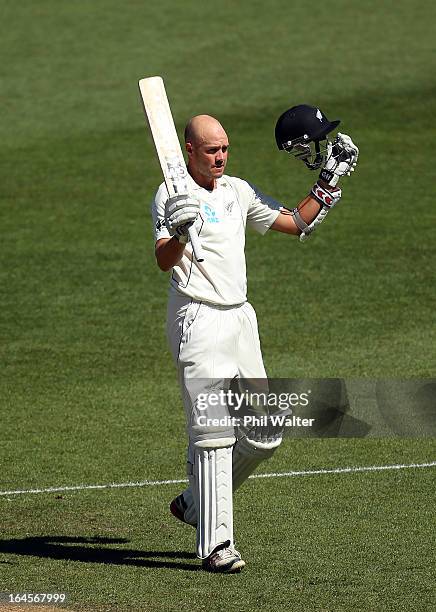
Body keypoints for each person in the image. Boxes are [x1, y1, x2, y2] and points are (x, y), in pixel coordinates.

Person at [151, 107, 358, 573]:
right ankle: (216, 545)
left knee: (265, 434)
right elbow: (164, 260)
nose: (220, 156)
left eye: (224, 148)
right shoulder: (169, 194)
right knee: (214, 434)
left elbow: (294, 223)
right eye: (211, 150)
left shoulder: (237, 191)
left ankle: (191, 503)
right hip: (197, 318)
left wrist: (328, 184)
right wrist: (180, 234)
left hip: (241, 319)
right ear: (189, 151)